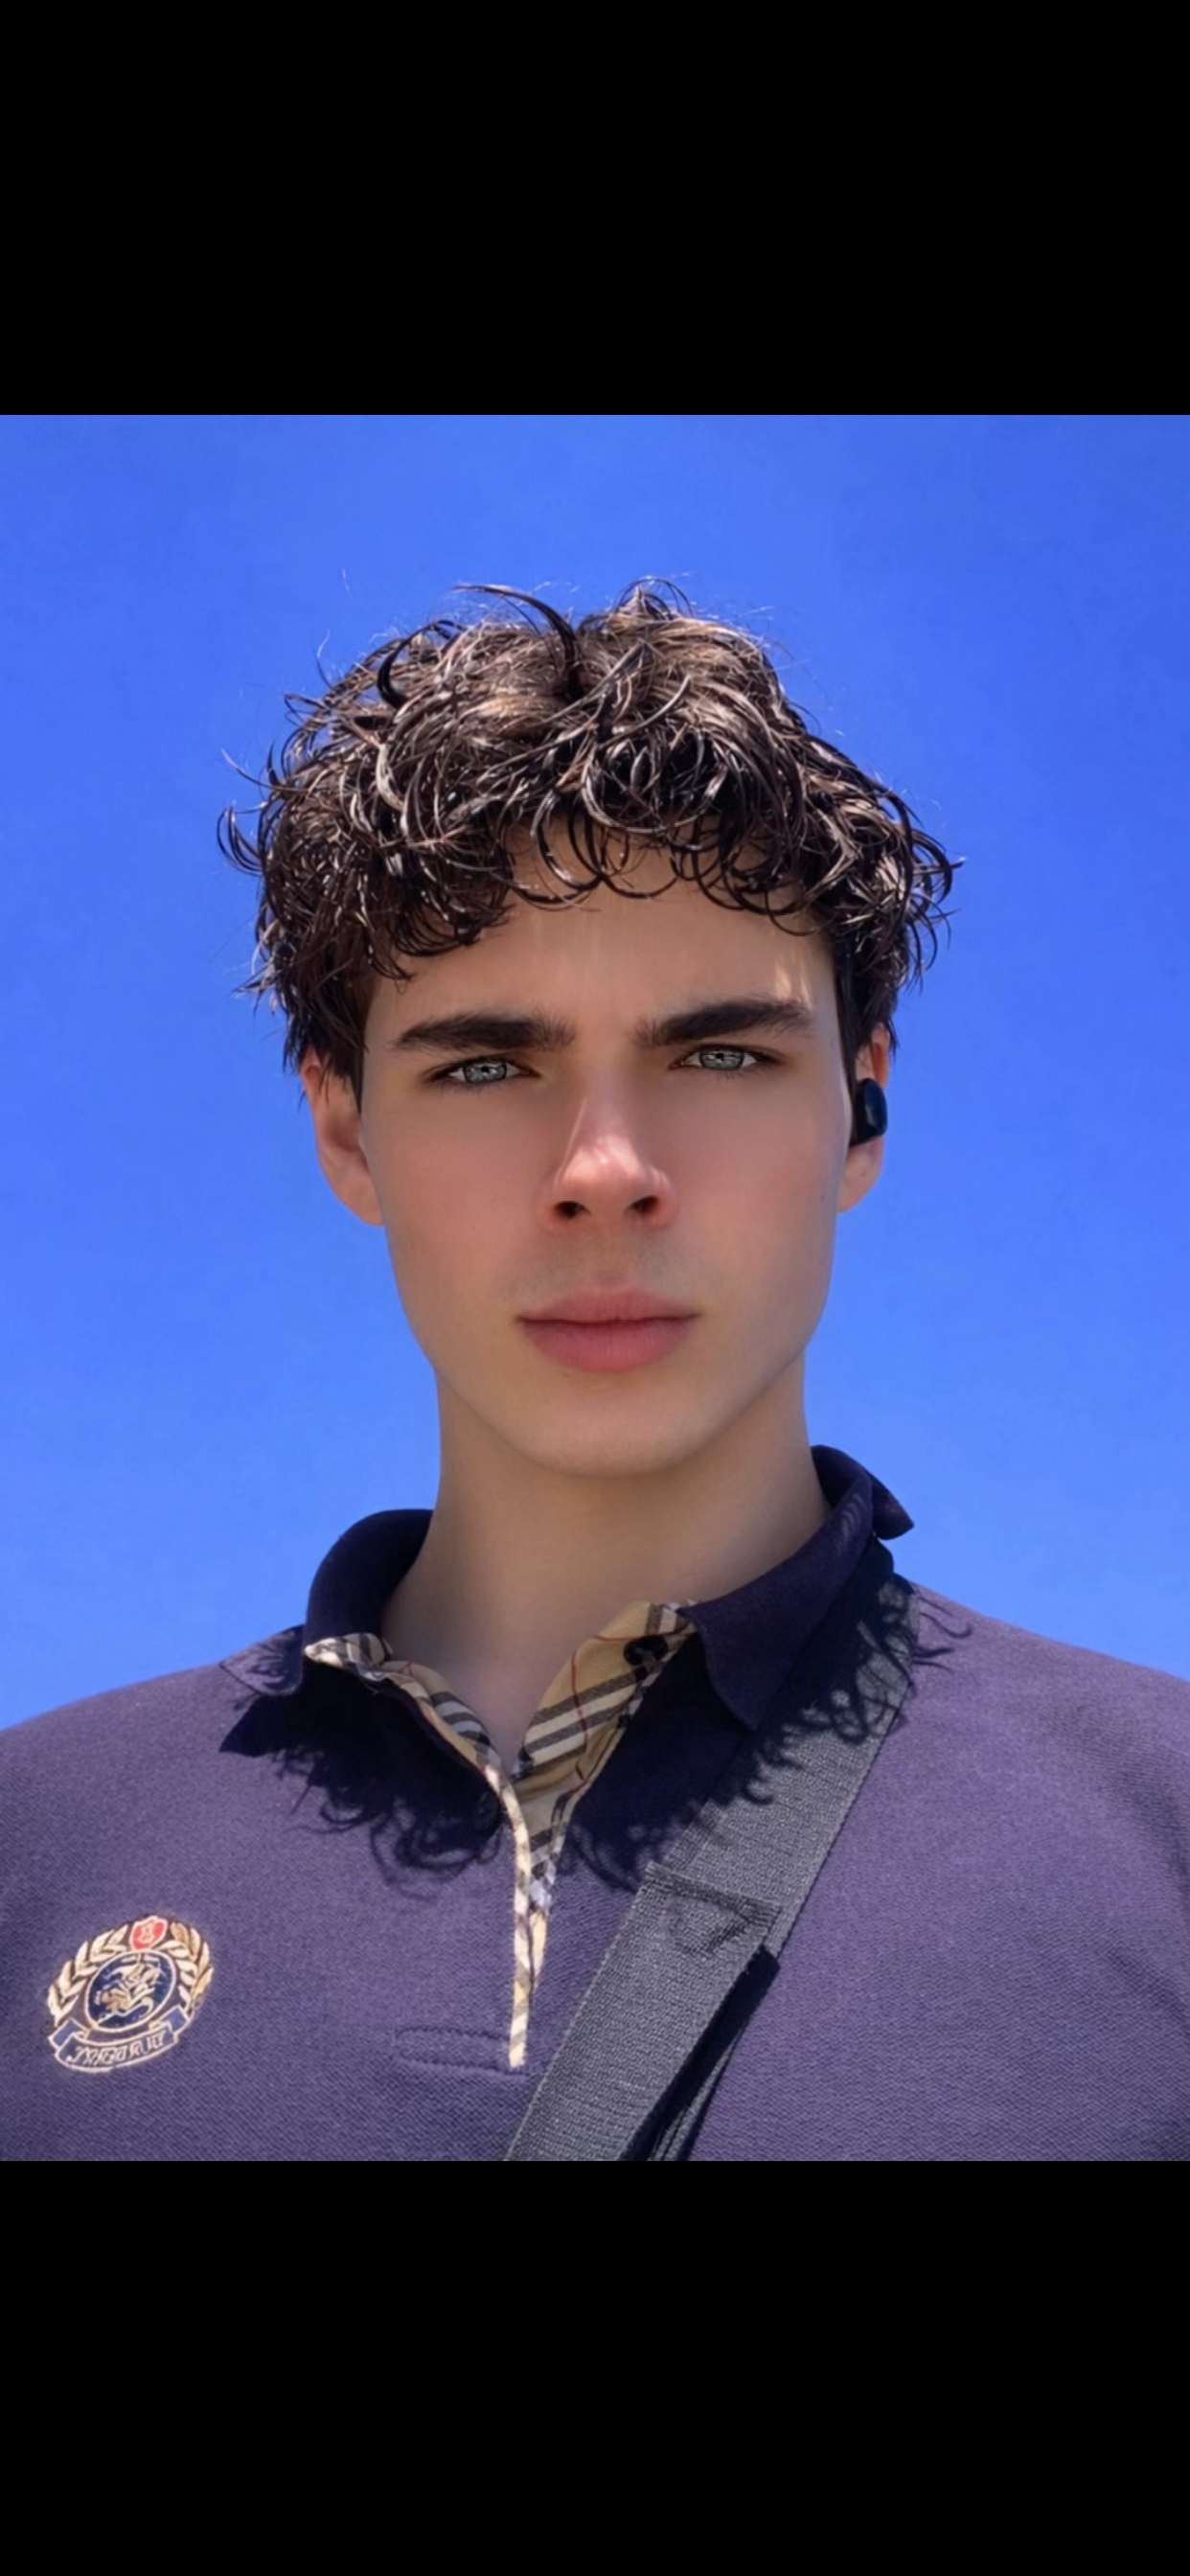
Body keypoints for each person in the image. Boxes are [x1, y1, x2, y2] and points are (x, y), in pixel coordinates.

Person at [4, 586, 1188, 2163]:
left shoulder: (1161, 1832)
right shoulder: (34, 1845)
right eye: (487, 1064)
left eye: (720, 1054)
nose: (606, 1171)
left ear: (860, 1110)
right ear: (345, 1130)